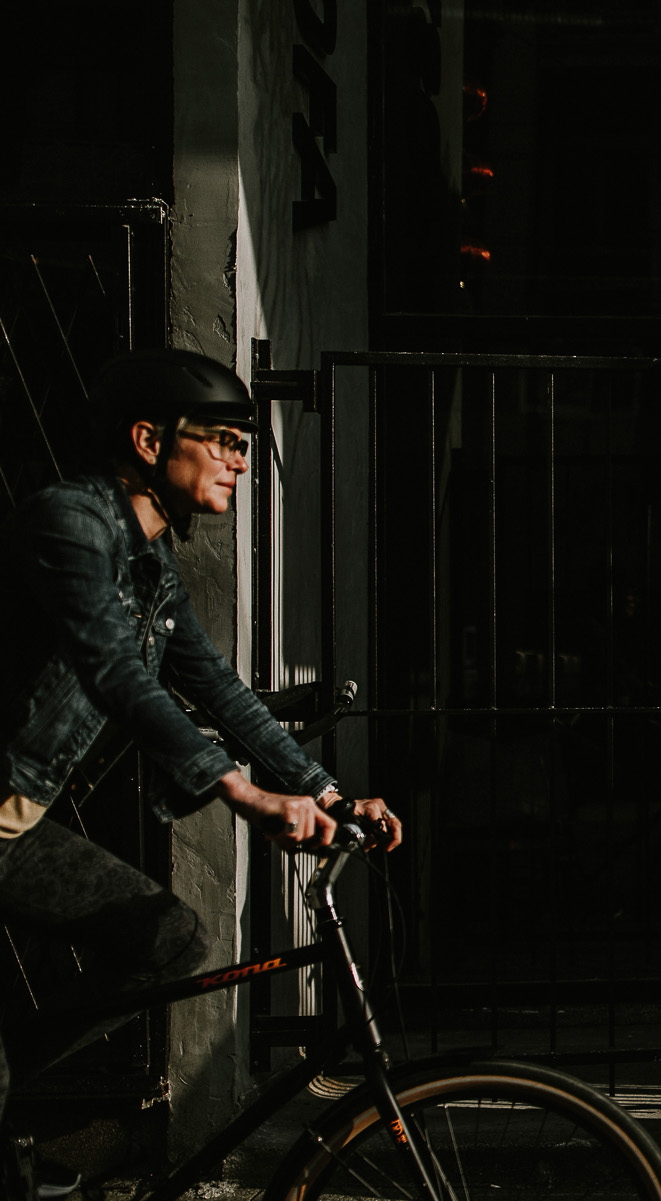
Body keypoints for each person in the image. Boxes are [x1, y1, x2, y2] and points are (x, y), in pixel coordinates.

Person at [0, 348, 403, 1139]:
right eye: (222, 440)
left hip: (14, 824)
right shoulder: (70, 525)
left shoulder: (150, 562)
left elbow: (220, 689)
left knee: (169, 936)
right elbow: (116, 669)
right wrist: (240, 790)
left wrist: (326, 792)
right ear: (149, 440)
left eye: (247, 445)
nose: (240, 462)